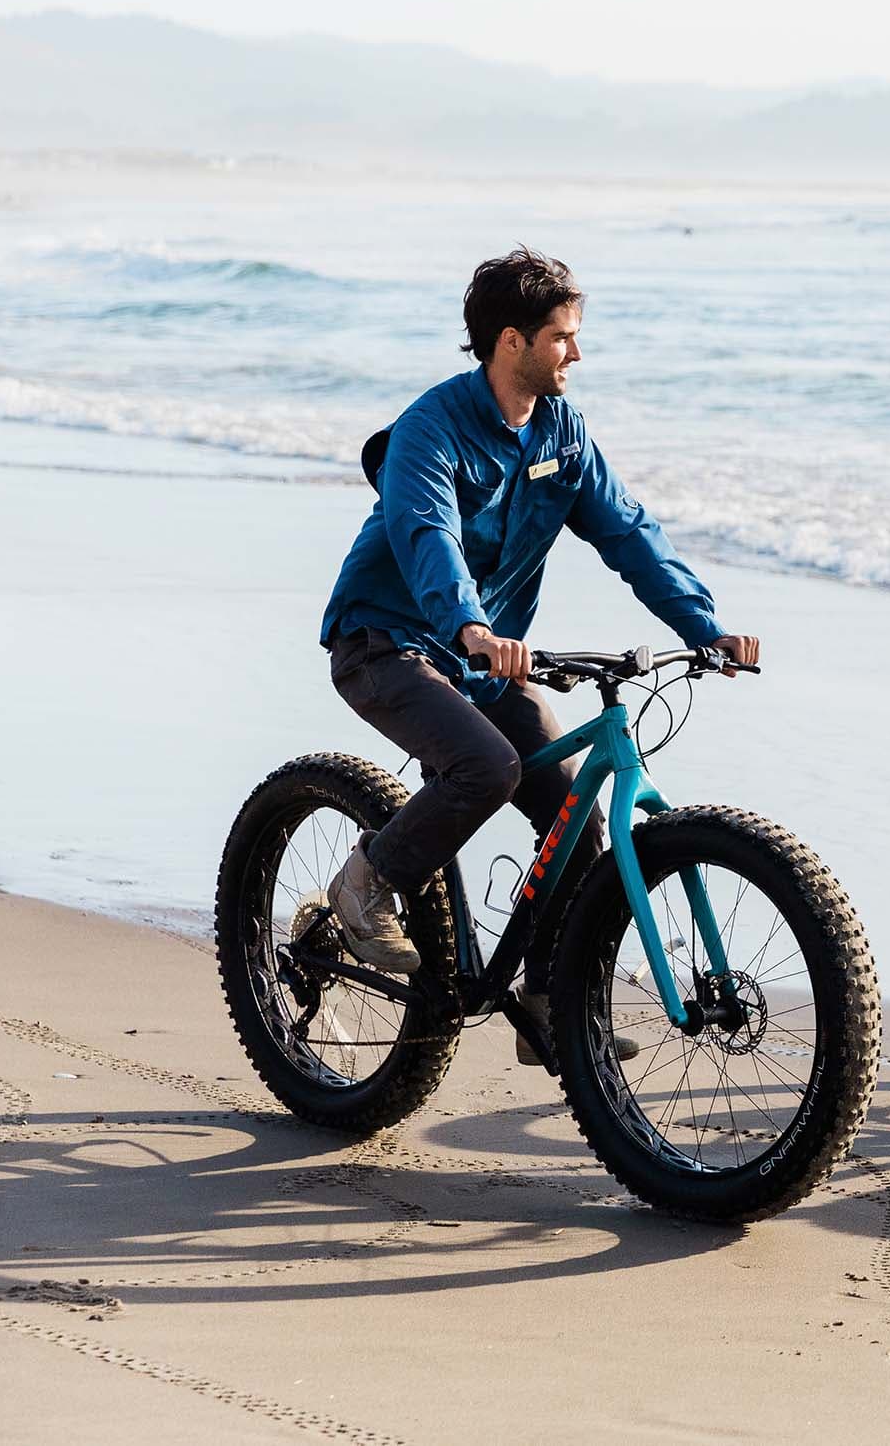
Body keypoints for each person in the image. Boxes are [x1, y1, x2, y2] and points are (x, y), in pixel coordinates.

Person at [316, 247, 759, 1064]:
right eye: (563, 337)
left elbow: (629, 532)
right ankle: (365, 881)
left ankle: (550, 998)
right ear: (511, 341)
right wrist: (470, 626)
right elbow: (428, 536)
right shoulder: (432, 428)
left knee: (575, 816)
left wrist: (703, 625)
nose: (577, 354)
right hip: (387, 642)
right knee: (488, 766)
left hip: (486, 662)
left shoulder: (564, 432)